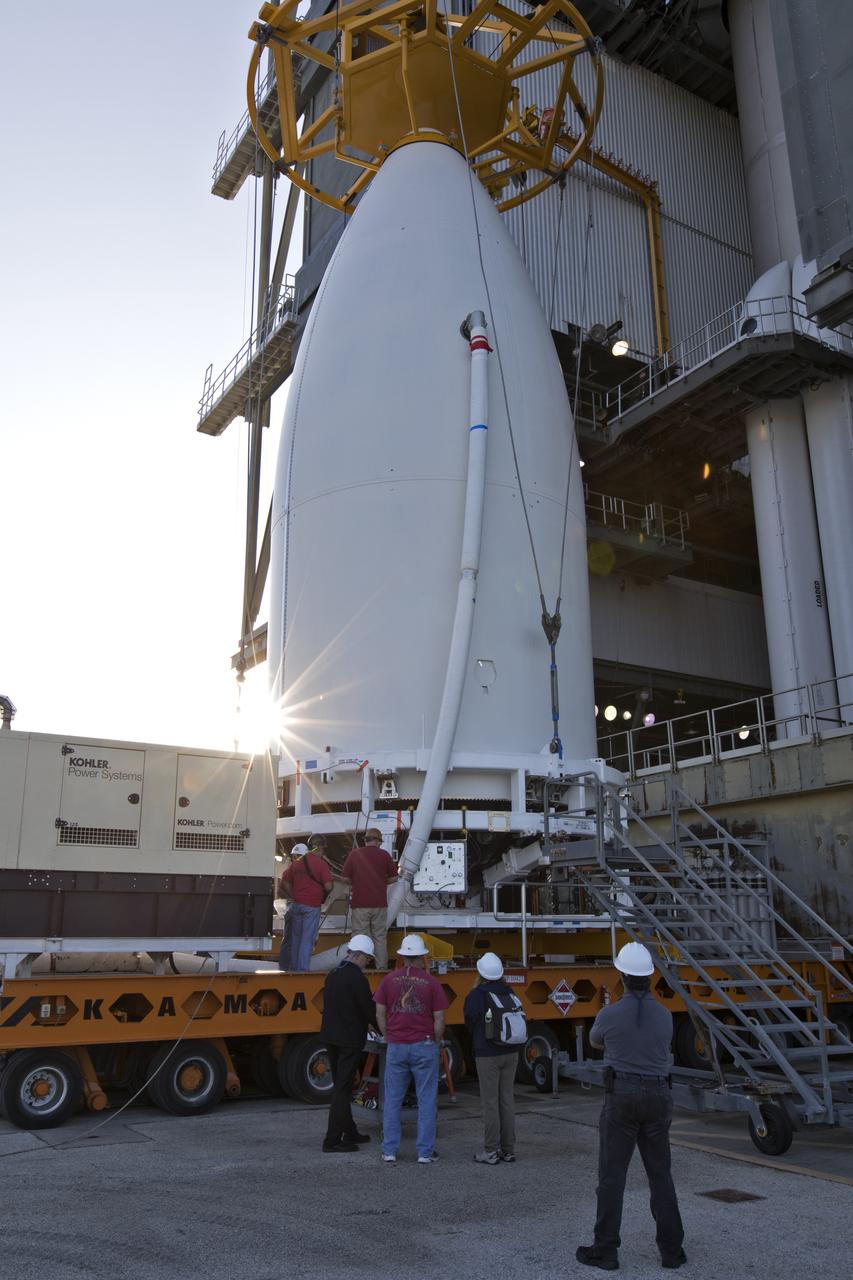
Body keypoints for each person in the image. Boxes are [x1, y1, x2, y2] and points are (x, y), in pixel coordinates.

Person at [576, 942, 686, 1272]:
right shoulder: (666, 1016)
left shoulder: (610, 1014)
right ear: (651, 978)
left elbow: (596, 1040)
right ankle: (672, 1252)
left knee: (612, 1176)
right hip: (658, 1097)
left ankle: (605, 1251)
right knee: (660, 1176)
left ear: (622, 976)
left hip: (621, 1096)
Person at [374, 934, 448, 1164]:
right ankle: (425, 1152)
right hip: (423, 1044)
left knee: (393, 1099)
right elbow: (439, 1018)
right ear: (422, 956)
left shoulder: (388, 980)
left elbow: (379, 1013)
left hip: (397, 1045)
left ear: (403, 956)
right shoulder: (432, 983)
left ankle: (389, 1150)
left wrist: (388, 1035)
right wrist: (435, 1041)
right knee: (427, 1100)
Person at [320, 933, 378, 1153]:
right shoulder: (358, 979)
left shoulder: (333, 974)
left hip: (331, 1037)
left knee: (340, 1086)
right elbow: (368, 1011)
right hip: (349, 1040)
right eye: (368, 959)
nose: (367, 963)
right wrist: (385, 1031)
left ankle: (350, 1130)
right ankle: (332, 1140)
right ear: (360, 955)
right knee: (342, 1090)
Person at [464, 951, 520, 1164]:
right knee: (507, 1100)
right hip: (511, 1052)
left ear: (480, 972)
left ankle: (491, 1150)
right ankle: (508, 1149)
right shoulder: (509, 991)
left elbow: (469, 1020)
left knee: (490, 1102)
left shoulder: (477, 994)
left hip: (487, 1054)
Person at [340, 828, 398, 969]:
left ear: (366, 840)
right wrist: (382, 882)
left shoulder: (355, 854)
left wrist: (355, 883)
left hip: (360, 904)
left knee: (360, 937)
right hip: (379, 904)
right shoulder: (384, 855)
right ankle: (381, 968)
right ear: (377, 841)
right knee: (379, 938)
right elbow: (394, 877)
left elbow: (344, 878)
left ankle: (358, 969)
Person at [278, 838, 333, 972]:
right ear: (319, 847)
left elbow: (284, 882)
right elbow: (328, 886)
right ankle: (302, 971)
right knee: (307, 940)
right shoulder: (321, 864)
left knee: (296, 939)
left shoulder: (297, 863)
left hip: (297, 905)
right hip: (312, 906)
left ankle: (293, 969)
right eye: (323, 849)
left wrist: (295, 894)